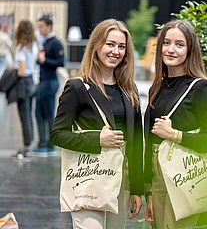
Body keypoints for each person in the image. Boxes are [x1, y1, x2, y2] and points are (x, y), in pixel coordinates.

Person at [50, 19, 143, 228]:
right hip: (88, 180)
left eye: (121, 47)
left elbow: (137, 142)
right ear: (96, 46)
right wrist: (97, 139)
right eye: (110, 44)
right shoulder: (77, 87)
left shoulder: (130, 90)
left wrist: (137, 189)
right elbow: (57, 134)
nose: (116, 51)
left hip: (121, 181)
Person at [143, 19, 207, 229]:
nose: (171, 49)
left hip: (182, 178)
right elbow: (150, 141)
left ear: (190, 50)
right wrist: (149, 191)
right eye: (166, 42)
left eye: (179, 44)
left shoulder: (201, 87)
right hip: (158, 178)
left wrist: (174, 135)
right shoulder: (158, 87)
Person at [32, 17, 64, 157]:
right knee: (39, 113)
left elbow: (61, 62)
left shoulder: (55, 43)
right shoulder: (44, 42)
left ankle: (50, 145)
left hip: (50, 82)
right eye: (38, 27)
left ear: (49, 26)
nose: (40, 29)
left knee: (48, 113)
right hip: (43, 81)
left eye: (42, 27)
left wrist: (44, 60)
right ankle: (42, 144)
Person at [12, 20, 38, 159]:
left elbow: (21, 71)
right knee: (29, 115)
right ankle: (29, 144)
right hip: (32, 82)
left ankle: (26, 147)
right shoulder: (33, 45)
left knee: (24, 117)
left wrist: (11, 72)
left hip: (23, 83)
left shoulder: (21, 48)